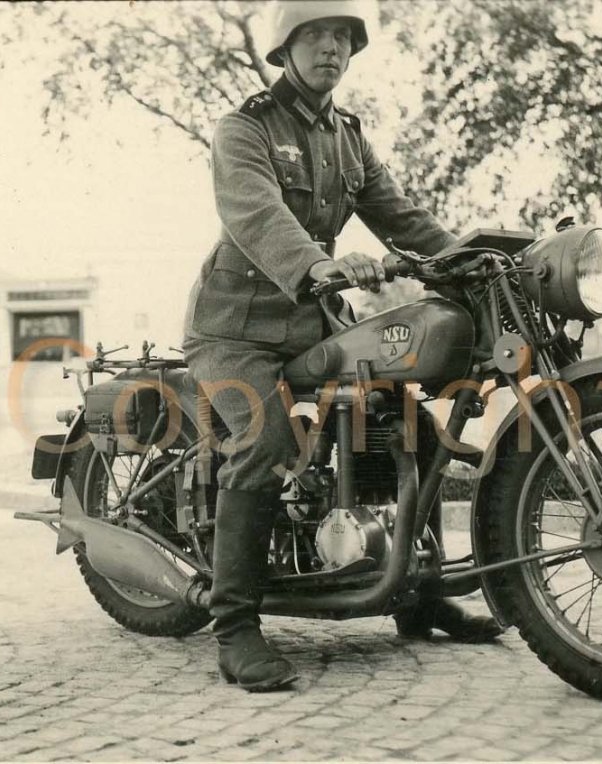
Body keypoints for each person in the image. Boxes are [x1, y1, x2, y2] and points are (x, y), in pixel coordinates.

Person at [182, 0, 502, 692]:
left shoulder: (349, 138)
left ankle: (417, 597)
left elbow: (402, 217)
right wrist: (320, 265)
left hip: (314, 324)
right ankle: (235, 627)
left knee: (413, 430)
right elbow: (256, 213)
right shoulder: (245, 127)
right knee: (266, 442)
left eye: (342, 37)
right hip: (235, 327)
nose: (331, 48)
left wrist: (472, 260)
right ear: (285, 47)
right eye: (316, 35)